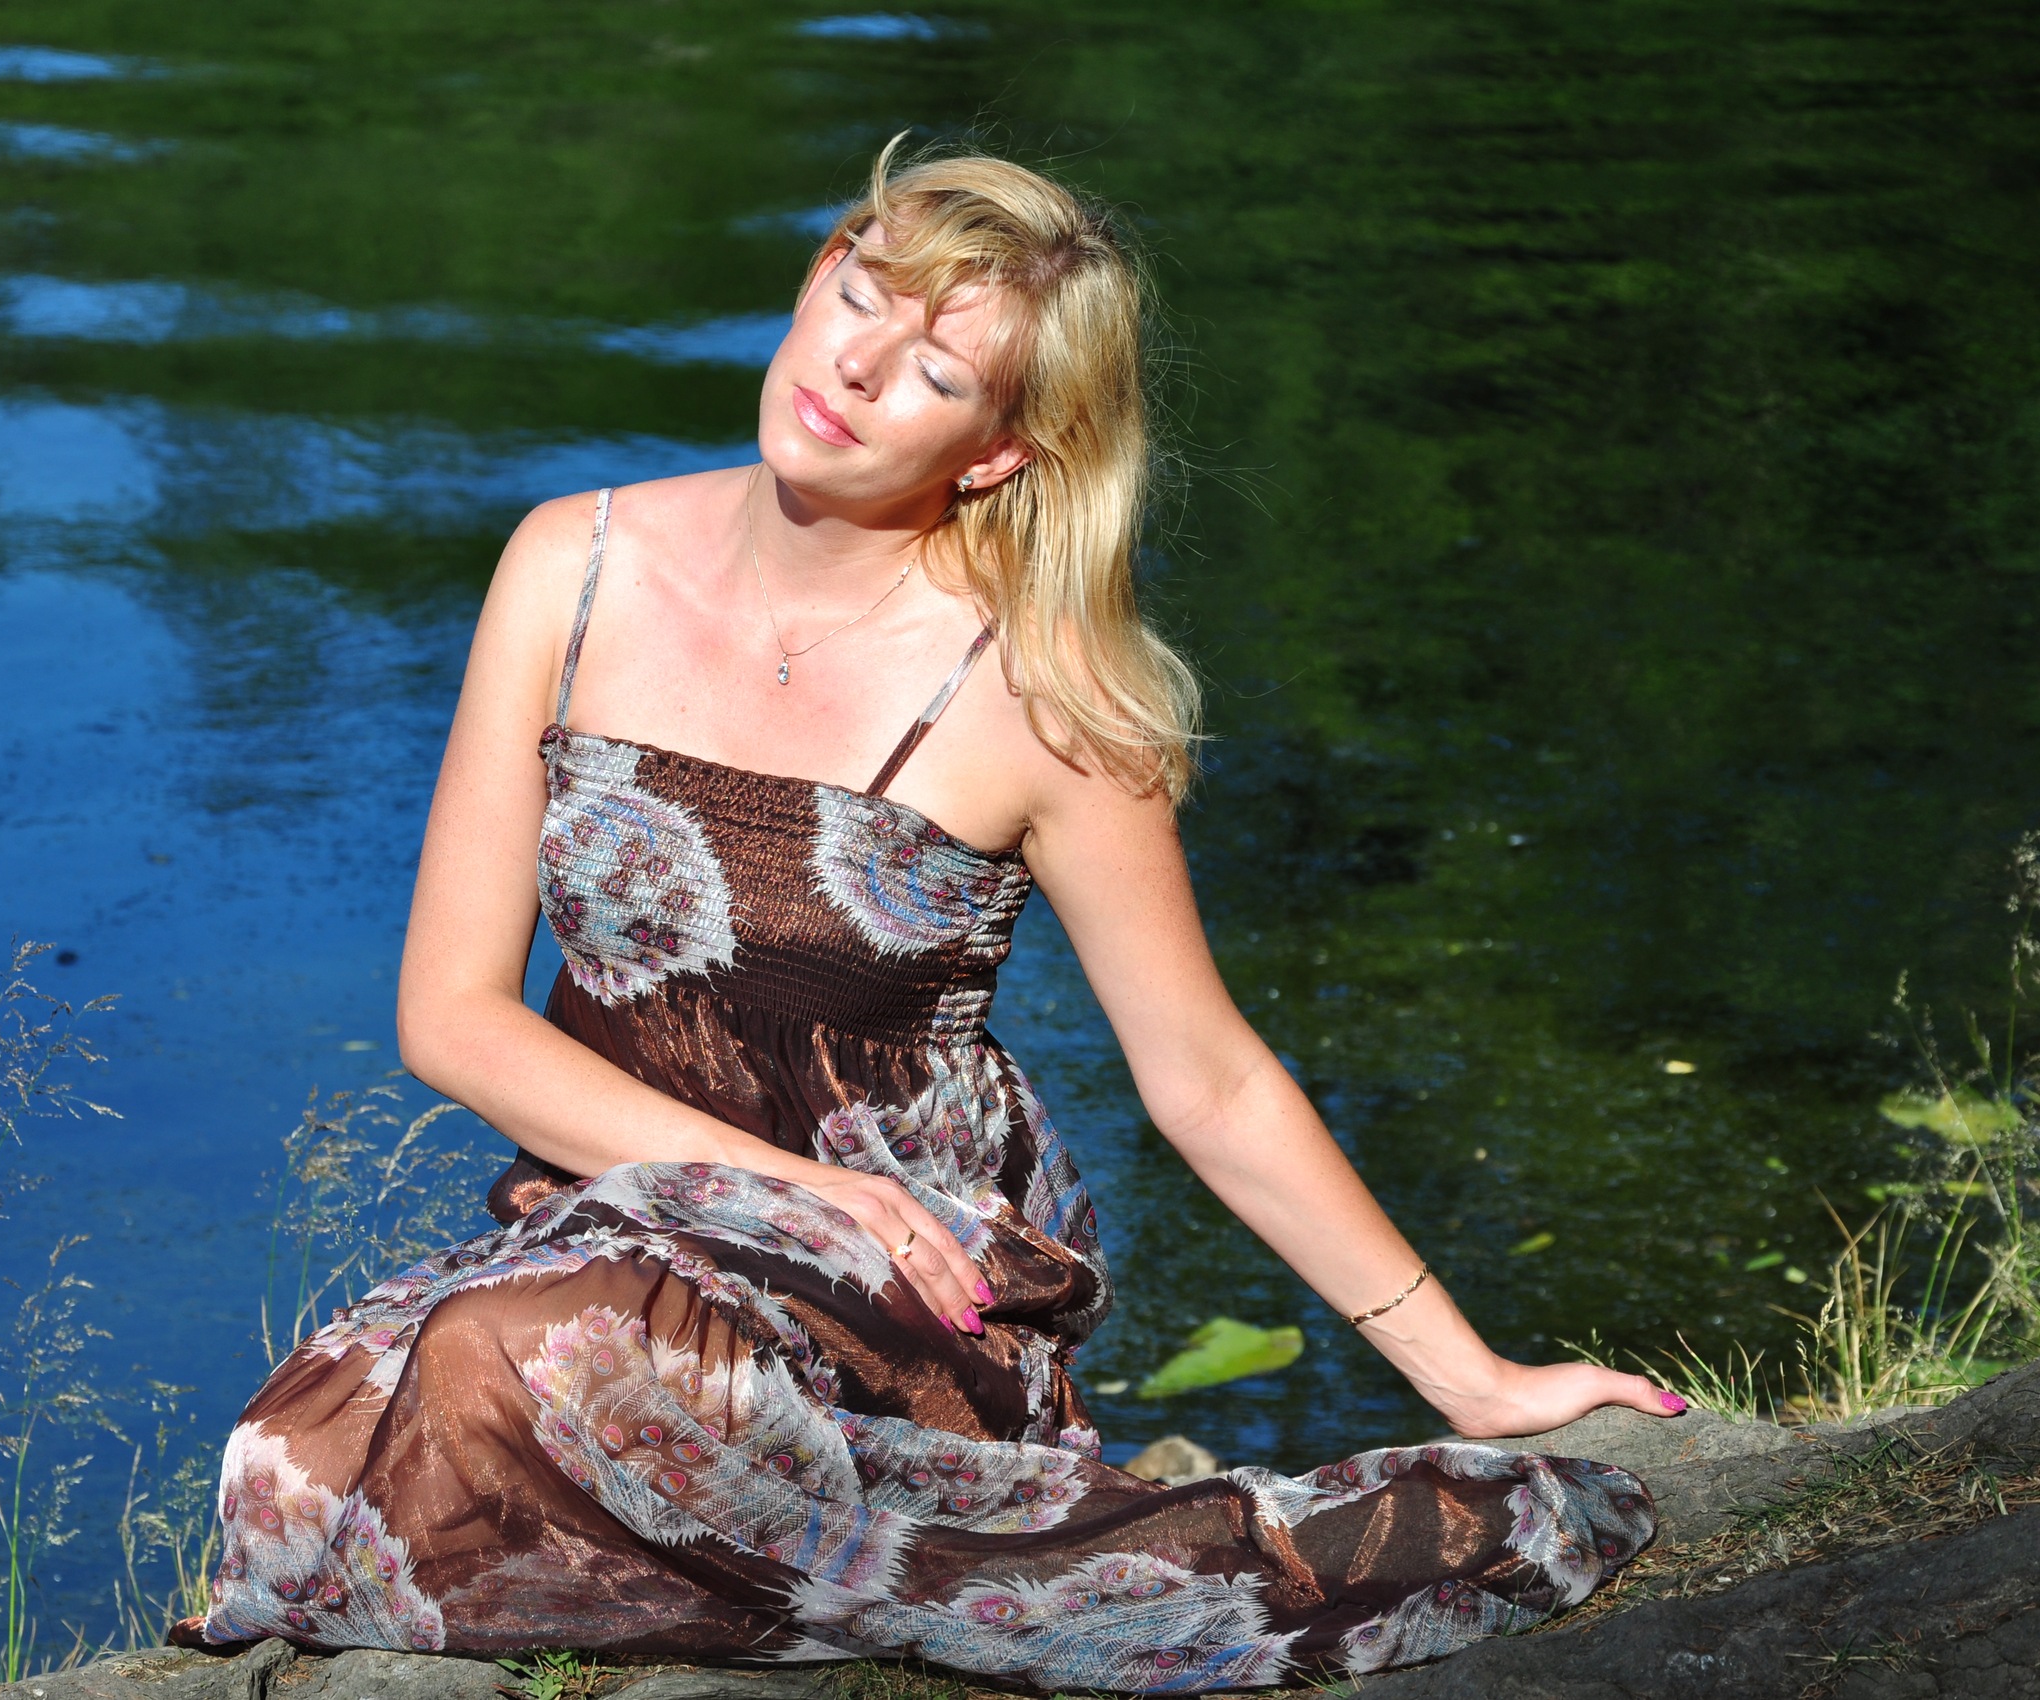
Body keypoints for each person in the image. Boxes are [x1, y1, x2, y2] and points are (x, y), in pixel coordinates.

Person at [175, 142, 1680, 1691]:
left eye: (938, 371)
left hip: (904, 1268)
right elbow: (450, 1018)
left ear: (998, 452)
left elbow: (1207, 1078)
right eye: (862, 296)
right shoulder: (571, 563)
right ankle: (804, 1549)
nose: (858, 366)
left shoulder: (1044, 695)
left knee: (513, 1368)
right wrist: (786, 1187)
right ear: (816, 272)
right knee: (300, 1455)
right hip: (615, 1216)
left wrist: (1469, 1373)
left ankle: (930, 1533)